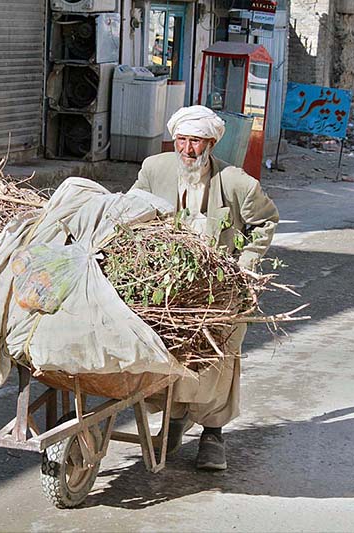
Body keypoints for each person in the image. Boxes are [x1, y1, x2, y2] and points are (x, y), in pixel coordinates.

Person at [131, 105, 279, 470]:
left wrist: (244, 265)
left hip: (219, 286)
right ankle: (175, 420)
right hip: (165, 283)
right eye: (181, 140)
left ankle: (213, 434)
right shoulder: (154, 170)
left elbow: (265, 222)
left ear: (211, 142)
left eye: (195, 142)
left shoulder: (237, 182)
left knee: (216, 359)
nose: (187, 150)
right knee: (165, 355)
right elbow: (129, 208)